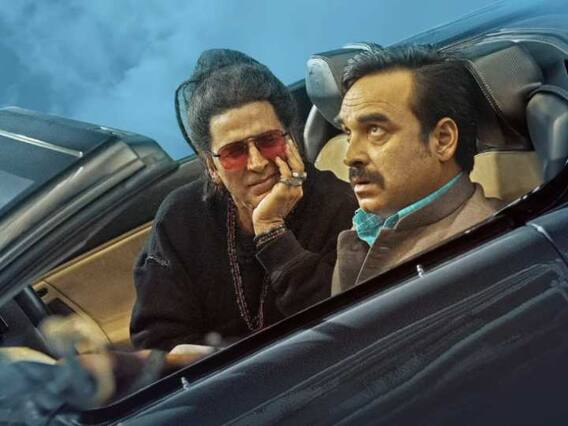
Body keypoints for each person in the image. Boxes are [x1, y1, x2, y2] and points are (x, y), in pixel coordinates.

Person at [130, 49, 357, 350]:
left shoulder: (339, 205)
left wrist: (272, 231)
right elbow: (157, 340)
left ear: (290, 139)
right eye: (234, 152)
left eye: (268, 141)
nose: (257, 163)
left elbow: (343, 323)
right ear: (212, 167)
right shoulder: (180, 219)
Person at [332, 44, 504, 295]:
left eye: (375, 130)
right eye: (348, 133)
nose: (350, 157)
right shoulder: (368, 228)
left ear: (442, 140)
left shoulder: (476, 255)